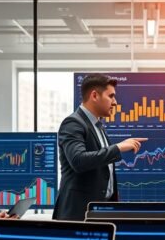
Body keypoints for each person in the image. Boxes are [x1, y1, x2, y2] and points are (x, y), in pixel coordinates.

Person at [53, 74, 147, 221]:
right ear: (95, 96)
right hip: (78, 215)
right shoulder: (73, 123)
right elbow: (78, 160)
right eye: (111, 96)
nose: (115, 102)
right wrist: (118, 148)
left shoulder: (98, 126)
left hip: (99, 212)